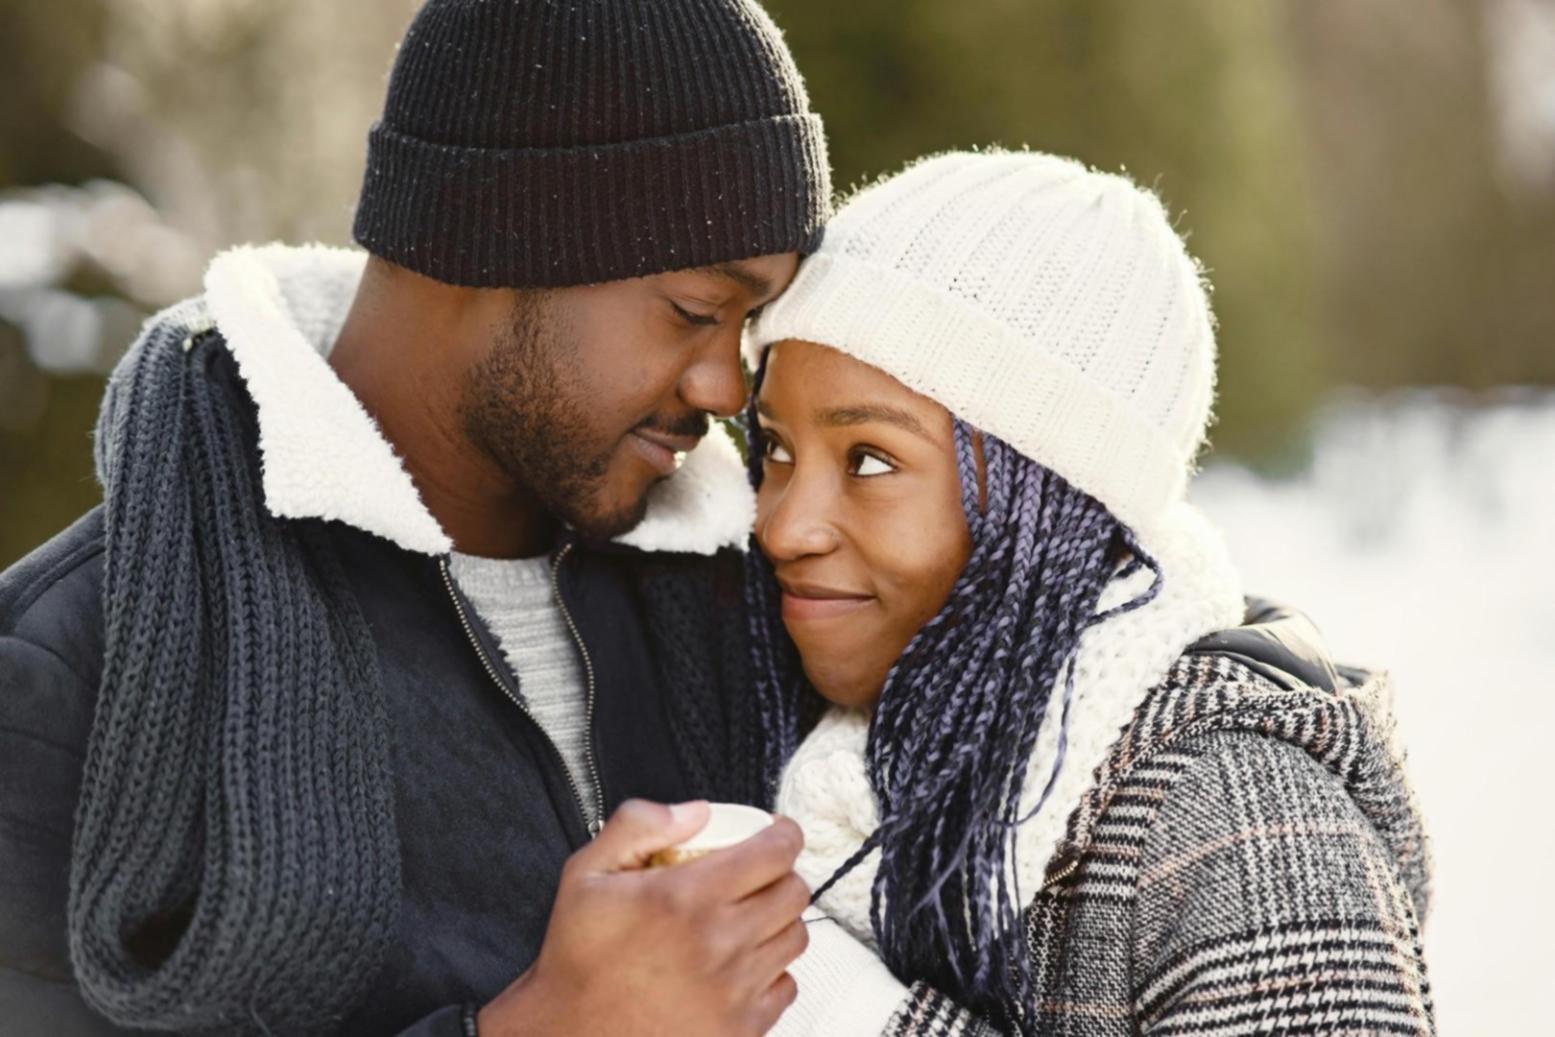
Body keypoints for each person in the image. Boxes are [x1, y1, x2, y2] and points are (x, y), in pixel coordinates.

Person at [0, 1, 830, 1034]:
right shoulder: (63, 670)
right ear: (490, 234)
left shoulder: (753, 606)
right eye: (696, 311)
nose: (722, 386)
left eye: (751, 328)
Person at [742, 151, 1437, 1036]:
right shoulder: (835, 753)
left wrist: (851, 1015)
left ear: (1055, 500)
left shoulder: (1233, 813)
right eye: (774, 450)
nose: (783, 526)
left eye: (870, 459)